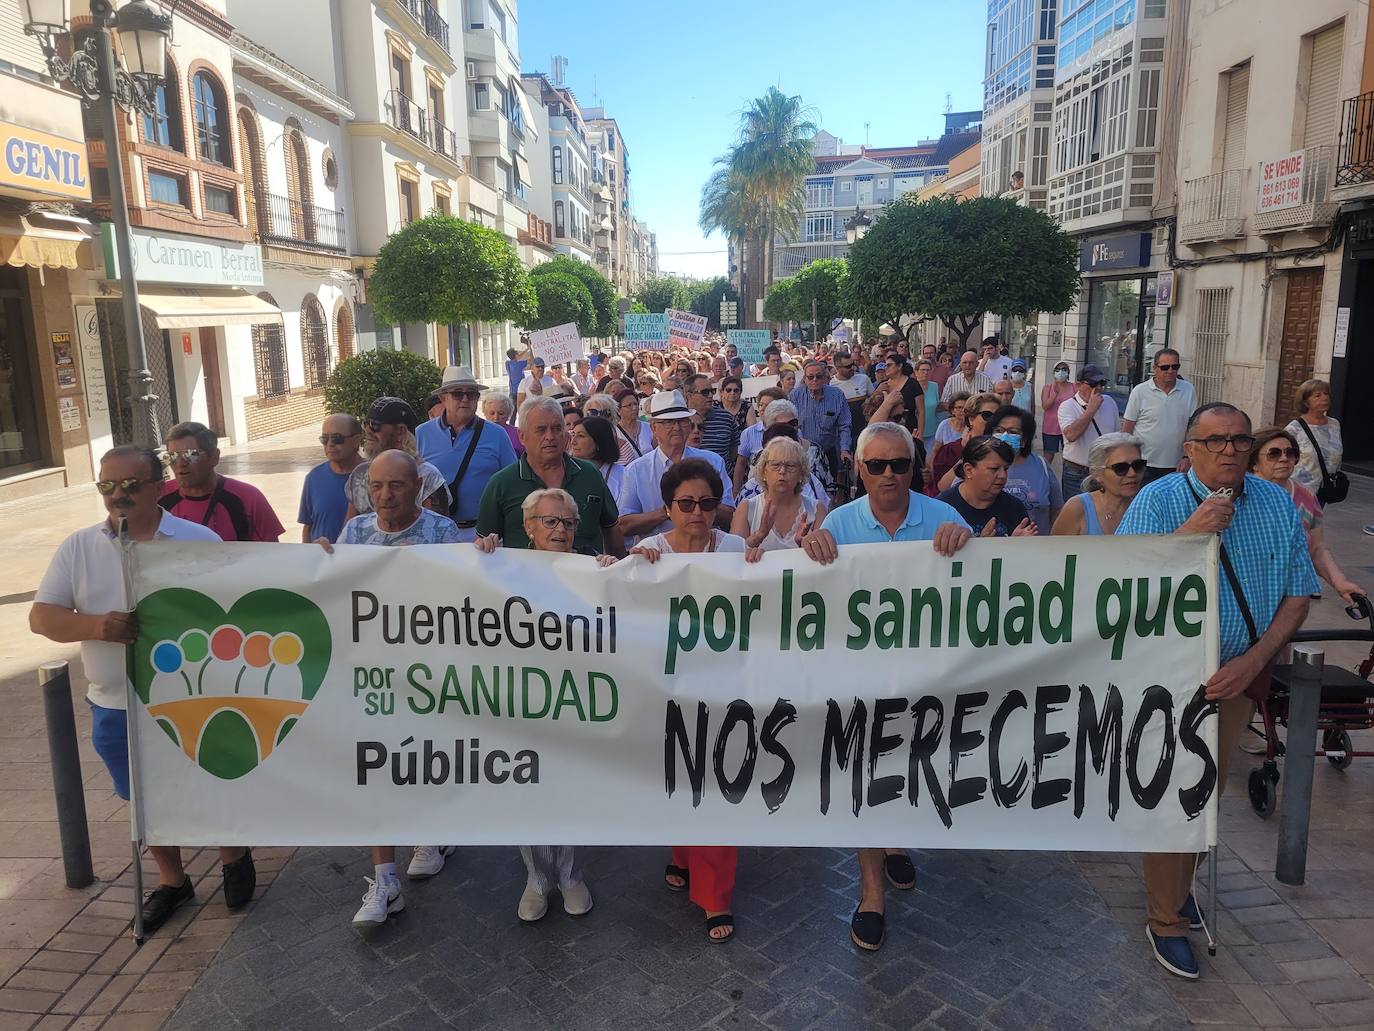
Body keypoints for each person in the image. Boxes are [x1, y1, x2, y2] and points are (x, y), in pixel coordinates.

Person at [1119, 403, 1318, 980]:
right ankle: (1165, 918)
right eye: (1215, 441)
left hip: (1238, 673)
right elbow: (1122, 585)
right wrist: (1190, 535)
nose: (1229, 450)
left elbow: (1299, 593)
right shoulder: (1158, 501)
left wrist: (1253, 660)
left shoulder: (1276, 501)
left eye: (1239, 440)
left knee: (1209, 790)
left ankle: (1179, 888)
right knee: (1178, 792)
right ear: (1190, 449)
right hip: (1169, 674)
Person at [31, 446, 253, 934]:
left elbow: (236, 607)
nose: (119, 496)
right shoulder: (78, 547)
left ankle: (233, 854)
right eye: (108, 486)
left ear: (158, 487)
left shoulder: (197, 539)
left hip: (195, 696)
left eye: (131, 484)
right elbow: (42, 617)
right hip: (115, 701)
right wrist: (95, 626)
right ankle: (173, 880)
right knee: (144, 797)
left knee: (209, 779)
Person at [798, 422, 973, 951]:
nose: (889, 474)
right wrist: (811, 547)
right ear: (860, 468)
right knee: (865, 781)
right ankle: (870, 893)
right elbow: (813, 595)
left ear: (914, 466)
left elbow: (985, 587)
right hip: (862, 684)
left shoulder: (944, 516)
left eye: (899, 464)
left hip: (929, 683)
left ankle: (899, 840)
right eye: (877, 465)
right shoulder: (841, 522)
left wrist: (968, 543)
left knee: (913, 771)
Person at [324, 452, 460, 929]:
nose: (384, 495)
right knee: (376, 765)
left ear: (417, 485)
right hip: (373, 672)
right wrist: (322, 564)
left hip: (426, 672)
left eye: (396, 486)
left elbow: (457, 597)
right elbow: (336, 589)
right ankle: (384, 878)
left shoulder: (442, 532)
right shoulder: (355, 532)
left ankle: (430, 832)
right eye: (377, 486)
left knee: (423, 757)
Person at [629, 459, 754, 942]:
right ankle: (682, 854)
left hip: (724, 688)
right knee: (679, 776)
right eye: (686, 503)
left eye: (706, 503)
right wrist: (616, 566)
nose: (697, 512)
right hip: (665, 689)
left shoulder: (737, 549)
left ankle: (715, 896)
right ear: (667, 508)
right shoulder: (649, 553)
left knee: (718, 782)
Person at [473, 488, 602, 921]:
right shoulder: (504, 567)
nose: (559, 529)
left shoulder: (594, 569)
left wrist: (617, 575)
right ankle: (536, 877)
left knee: (569, 788)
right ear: (528, 527)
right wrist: (480, 556)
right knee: (527, 790)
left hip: (575, 699)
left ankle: (570, 874)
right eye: (549, 521)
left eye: (567, 522)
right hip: (523, 699)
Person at [477, 397, 623, 556]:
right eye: (541, 429)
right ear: (522, 436)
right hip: (525, 578)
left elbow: (612, 530)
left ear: (566, 434)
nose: (550, 436)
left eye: (556, 428)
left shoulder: (589, 474)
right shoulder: (502, 483)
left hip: (583, 578)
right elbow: (483, 546)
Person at [1249, 427, 1363, 603]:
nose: (1284, 458)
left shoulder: (1307, 497)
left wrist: (1339, 581)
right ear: (1254, 462)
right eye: (1274, 454)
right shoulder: (1241, 495)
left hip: (1289, 597)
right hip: (1248, 592)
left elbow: (1317, 548)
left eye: (1291, 453)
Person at [416, 366, 516, 541]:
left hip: (484, 534)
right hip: (435, 534)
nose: (465, 399)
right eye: (457, 393)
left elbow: (512, 482)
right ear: (443, 398)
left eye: (471, 394)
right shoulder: (421, 434)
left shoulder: (497, 434)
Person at [618, 391, 735, 540]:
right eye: (668, 422)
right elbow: (624, 525)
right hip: (657, 556)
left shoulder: (713, 461)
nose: (677, 427)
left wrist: (695, 507)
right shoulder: (636, 470)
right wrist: (668, 512)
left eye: (682, 421)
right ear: (653, 428)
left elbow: (729, 514)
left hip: (705, 553)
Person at [159, 422, 285, 542]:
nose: (180, 463)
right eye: (172, 456)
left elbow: (271, 554)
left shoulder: (248, 498)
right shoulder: (158, 497)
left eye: (191, 454)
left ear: (214, 456)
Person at [347, 397, 450, 520]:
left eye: (375, 425)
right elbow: (349, 530)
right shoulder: (360, 474)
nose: (367, 430)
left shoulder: (428, 477)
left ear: (400, 432)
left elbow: (440, 532)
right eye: (365, 423)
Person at [729, 435, 825, 551]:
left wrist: (803, 545)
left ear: (801, 473)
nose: (782, 471)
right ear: (763, 471)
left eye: (790, 466)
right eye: (775, 465)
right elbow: (733, 556)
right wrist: (759, 535)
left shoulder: (816, 509)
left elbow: (826, 558)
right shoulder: (747, 508)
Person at [937, 435, 1037, 537]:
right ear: (969, 470)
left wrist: (1017, 544)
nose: (1003, 476)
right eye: (994, 469)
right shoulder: (942, 508)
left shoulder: (1014, 507)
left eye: (1006, 469)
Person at [1051, 432, 1145, 536]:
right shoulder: (1077, 509)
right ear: (1097, 474)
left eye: (1138, 465)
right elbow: (1056, 551)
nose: (1132, 473)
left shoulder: (1148, 508)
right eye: (1121, 468)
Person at [1122, 348, 1195, 483]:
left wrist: (1187, 457)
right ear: (1154, 367)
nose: (1170, 371)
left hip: (1177, 465)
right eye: (1165, 367)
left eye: (1175, 366)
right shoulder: (1140, 391)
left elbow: (1191, 427)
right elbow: (1127, 428)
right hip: (1144, 464)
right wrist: (1128, 459)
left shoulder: (1188, 390)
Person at [989, 405, 1062, 534]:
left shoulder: (1041, 465)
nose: (1005, 436)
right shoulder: (978, 464)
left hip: (1037, 547)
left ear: (1024, 440)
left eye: (1013, 432)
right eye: (999, 430)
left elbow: (1057, 509)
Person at [1058, 363, 1120, 499]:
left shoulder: (1109, 402)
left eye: (1101, 383)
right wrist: (1091, 409)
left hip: (1103, 470)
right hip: (1077, 471)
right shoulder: (1067, 406)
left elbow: (1116, 436)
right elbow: (1071, 435)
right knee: (1076, 513)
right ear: (1079, 385)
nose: (1098, 388)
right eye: (1093, 384)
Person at [298, 413, 362, 543]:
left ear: (356, 441)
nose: (330, 444)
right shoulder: (314, 477)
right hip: (323, 560)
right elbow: (308, 527)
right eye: (324, 439)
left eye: (337, 438)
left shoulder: (374, 477)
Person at [789, 358, 853, 475]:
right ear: (805, 379)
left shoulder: (837, 395)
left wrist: (845, 449)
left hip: (829, 451)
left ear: (825, 378)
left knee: (832, 486)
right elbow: (789, 425)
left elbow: (845, 426)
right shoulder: (795, 396)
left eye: (818, 377)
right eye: (810, 377)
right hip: (803, 453)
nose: (815, 380)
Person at [1285, 378, 1343, 500]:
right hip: (1299, 492)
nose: (1324, 398)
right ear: (1306, 402)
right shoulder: (1293, 429)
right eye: (1317, 395)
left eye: (1326, 394)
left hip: (1323, 490)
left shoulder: (1334, 424)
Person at [733, 386, 788, 492]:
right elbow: (740, 464)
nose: (762, 408)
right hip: (756, 490)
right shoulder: (749, 433)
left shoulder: (791, 430)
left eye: (767, 406)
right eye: (761, 405)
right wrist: (736, 491)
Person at [684, 373, 740, 467]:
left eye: (712, 391)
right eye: (705, 392)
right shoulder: (679, 420)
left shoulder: (726, 418)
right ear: (690, 396)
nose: (710, 395)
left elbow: (733, 452)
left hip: (721, 478)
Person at [570, 415, 626, 501]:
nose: (573, 441)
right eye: (573, 435)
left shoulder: (623, 475)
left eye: (581, 436)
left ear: (598, 440)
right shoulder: (569, 474)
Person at [1040, 360, 1076, 464]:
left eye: (1064, 369)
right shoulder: (1048, 388)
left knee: (1069, 457)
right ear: (1054, 372)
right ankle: (1045, 477)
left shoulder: (1074, 387)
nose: (1061, 372)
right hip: (1050, 428)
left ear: (1068, 372)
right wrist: (1055, 394)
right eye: (1058, 370)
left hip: (1068, 427)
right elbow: (1045, 406)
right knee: (1048, 456)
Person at [614, 385, 654, 464]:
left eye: (635, 404)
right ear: (619, 410)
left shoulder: (649, 427)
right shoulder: (615, 433)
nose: (634, 408)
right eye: (629, 405)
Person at [482, 392, 524, 457]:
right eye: (492, 413)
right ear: (485, 413)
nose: (496, 418)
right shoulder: (478, 432)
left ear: (509, 414)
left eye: (501, 413)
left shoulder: (518, 434)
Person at [914, 359, 940, 454]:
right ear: (916, 372)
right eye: (923, 370)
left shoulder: (934, 386)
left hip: (932, 430)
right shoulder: (912, 386)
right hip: (916, 431)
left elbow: (937, 405)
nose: (926, 372)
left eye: (928, 370)